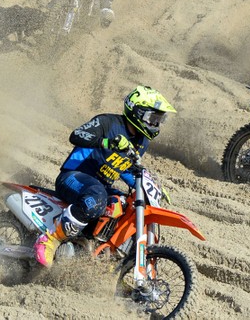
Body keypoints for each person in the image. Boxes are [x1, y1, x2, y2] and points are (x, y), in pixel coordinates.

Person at [33, 86, 176, 267]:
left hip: (100, 186)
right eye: (153, 119)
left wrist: (149, 188)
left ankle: (105, 256)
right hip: (74, 177)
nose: (155, 124)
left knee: (125, 204)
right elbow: (76, 135)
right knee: (97, 196)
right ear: (137, 112)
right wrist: (107, 141)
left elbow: (125, 167)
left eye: (159, 120)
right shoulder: (107, 123)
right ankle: (49, 239)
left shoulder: (142, 141)